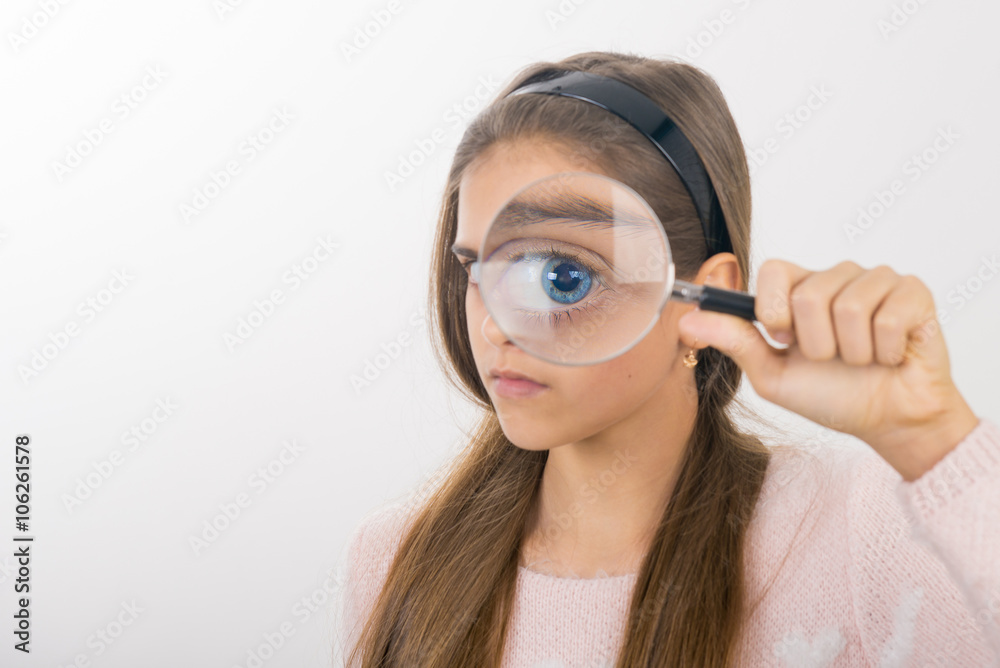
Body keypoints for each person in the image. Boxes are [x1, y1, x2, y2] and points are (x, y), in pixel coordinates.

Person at [335, 51, 999, 667]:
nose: (490, 326)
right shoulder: (396, 559)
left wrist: (931, 438)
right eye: (476, 269)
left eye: (560, 276)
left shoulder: (862, 531)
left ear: (703, 298)